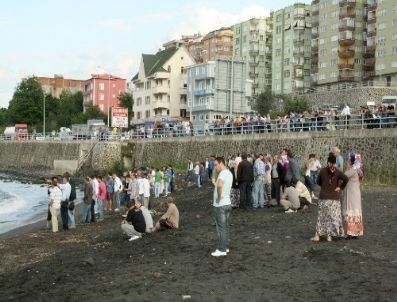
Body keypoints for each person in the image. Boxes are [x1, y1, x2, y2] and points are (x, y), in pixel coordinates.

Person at [311, 154, 349, 242]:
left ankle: (319, 235)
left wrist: (325, 186)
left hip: (324, 197)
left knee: (322, 217)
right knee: (333, 217)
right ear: (335, 163)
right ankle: (330, 236)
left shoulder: (322, 171)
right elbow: (346, 179)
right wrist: (340, 187)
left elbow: (318, 182)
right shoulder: (337, 171)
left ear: (328, 162)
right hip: (334, 199)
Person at [211, 156, 233, 257]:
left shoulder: (223, 173)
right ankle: (225, 247)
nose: (215, 167)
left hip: (220, 205)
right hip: (228, 203)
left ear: (221, 163)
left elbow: (219, 185)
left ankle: (222, 249)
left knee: (220, 228)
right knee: (225, 227)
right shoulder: (229, 173)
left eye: (216, 165)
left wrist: (219, 196)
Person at [343, 151, 364, 239]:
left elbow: (343, 176)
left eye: (349, 160)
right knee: (355, 211)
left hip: (351, 194)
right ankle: (355, 232)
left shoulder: (352, 170)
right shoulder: (358, 170)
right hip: (355, 193)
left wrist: (347, 167)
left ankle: (351, 233)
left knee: (350, 210)